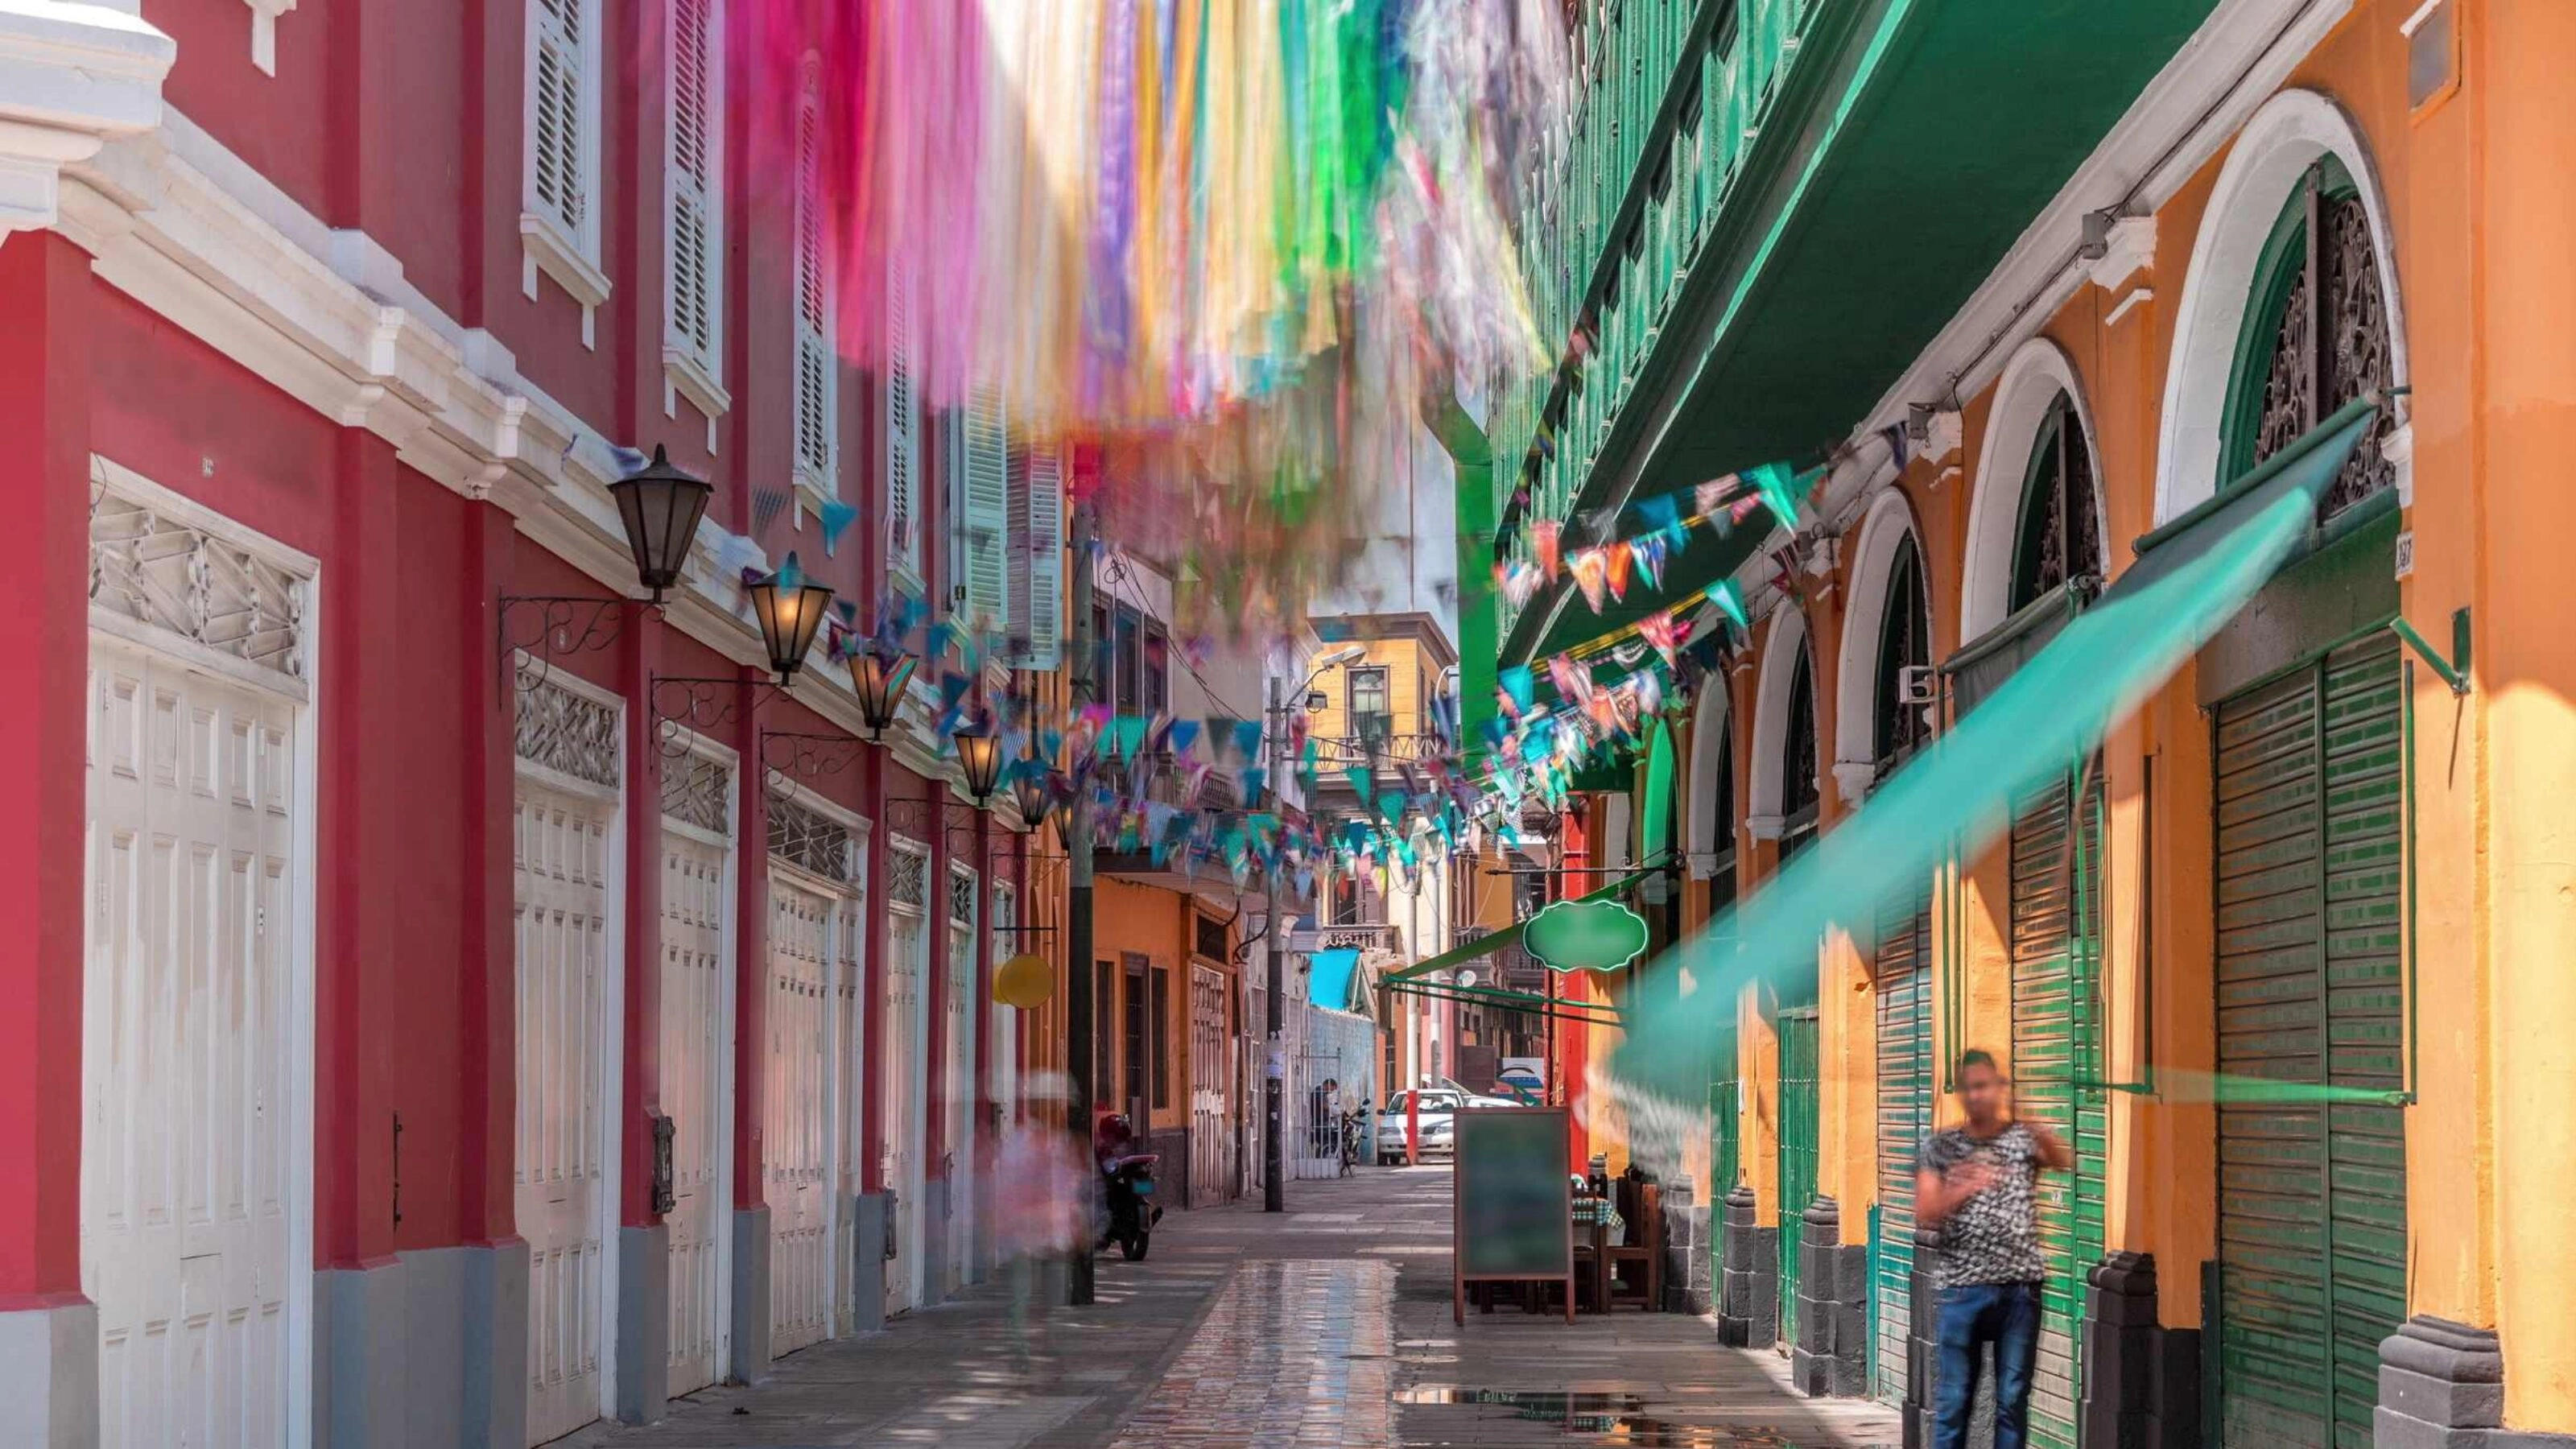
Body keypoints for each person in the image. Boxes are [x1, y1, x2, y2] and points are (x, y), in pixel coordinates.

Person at [1916, 1049, 2074, 1449]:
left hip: (2020, 1290)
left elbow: (2061, 1159)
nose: (1977, 1096)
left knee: (2013, 1400)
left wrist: (2028, 1116)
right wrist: (1965, 1186)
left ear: (1998, 1088)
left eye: (1985, 1086)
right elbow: (1925, 1212)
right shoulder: (1942, 1145)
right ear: (1960, 1093)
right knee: (1954, 1402)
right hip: (1963, 1290)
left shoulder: (2021, 1138)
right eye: (1969, 1088)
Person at [1308, 1076, 1340, 1158]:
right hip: (1319, 1123)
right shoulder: (1319, 1091)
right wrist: (1334, 1109)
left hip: (1321, 1122)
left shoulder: (1322, 1092)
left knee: (1327, 1140)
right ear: (1329, 1085)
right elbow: (1324, 1106)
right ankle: (1326, 1158)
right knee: (1329, 1139)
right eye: (1332, 1089)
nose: (1331, 1091)